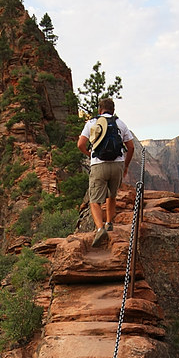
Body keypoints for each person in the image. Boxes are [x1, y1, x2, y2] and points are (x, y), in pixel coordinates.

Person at [77, 97, 135, 247]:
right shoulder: (120, 123)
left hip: (99, 164)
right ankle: (109, 223)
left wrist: (90, 154)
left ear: (100, 110)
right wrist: (126, 166)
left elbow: (80, 144)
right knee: (112, 195)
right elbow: (131, 146)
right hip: (117, 165)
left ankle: (100, 228)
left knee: (94, 200)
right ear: (113, 110)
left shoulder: (91, 123)